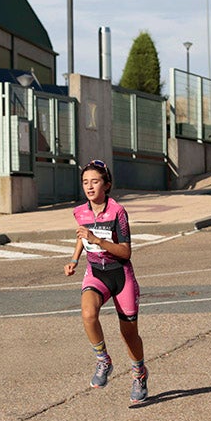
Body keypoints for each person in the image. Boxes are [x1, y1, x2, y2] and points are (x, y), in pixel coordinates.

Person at [64, 160, 148, 404]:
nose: (89, 187)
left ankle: (139, 374)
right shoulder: (79, 211)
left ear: (107, 185)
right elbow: (82, 234)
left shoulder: (118, 212)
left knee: (129, 334)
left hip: (120, 275)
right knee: (88, 314)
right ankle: (103, 361)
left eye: (95, 181)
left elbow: (125, 252)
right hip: (95, 272)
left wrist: (97, 240)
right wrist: (74, 258)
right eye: (85, 182)